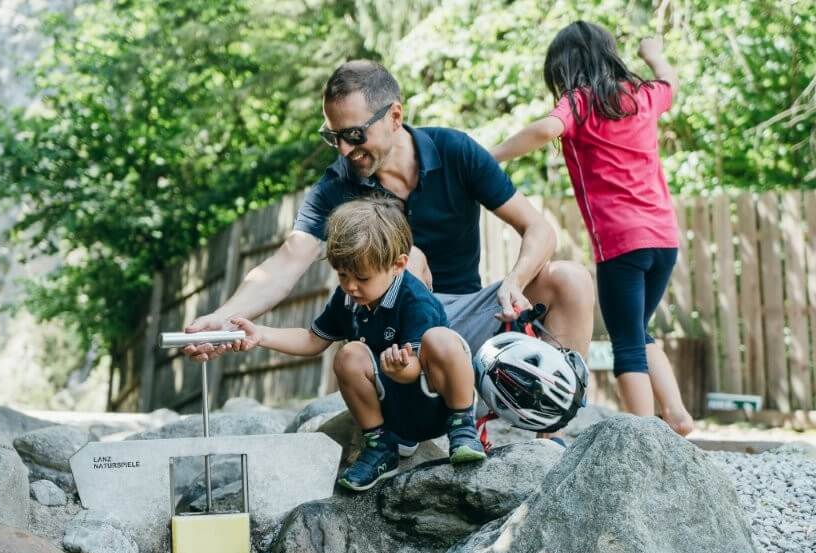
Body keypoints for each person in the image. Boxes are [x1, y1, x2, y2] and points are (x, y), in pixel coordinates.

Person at [183, 59, 595, 443]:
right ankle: (416, 419)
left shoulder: (455, 151)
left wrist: (515, 281)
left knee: (571, 279)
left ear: (394, 116)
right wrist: (220, 321)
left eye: (354, 135)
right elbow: (287, 261)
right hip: (398, 348)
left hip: (469, 320)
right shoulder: (336, 186)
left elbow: (538, 229)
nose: (344, 149)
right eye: (334, 137)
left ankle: (553, 434)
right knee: (410, 259)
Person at [490, 23, 694, 436]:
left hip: (622, 244)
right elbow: (669, 82)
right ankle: (677, 415)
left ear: (565, 69)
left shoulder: (580, 104)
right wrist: (653, 53)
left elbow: (548, 128)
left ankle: (643, 437)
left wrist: (489, 157)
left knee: (627, 344)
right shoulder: (642, 96)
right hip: (664, 240)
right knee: (639, 329)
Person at [227, 196, 485, 492]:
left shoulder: (414, 299)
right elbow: (313, 340)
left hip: (434, 404)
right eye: (342, 275)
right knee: (348, 354)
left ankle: (462, 425)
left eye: (362, 277)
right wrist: (261, 335)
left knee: (440, 339)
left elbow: (415, 369)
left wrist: (401, 369)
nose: (351, 286)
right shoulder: (348, 298)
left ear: (398, 265)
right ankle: (381, 446)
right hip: (394, 414)